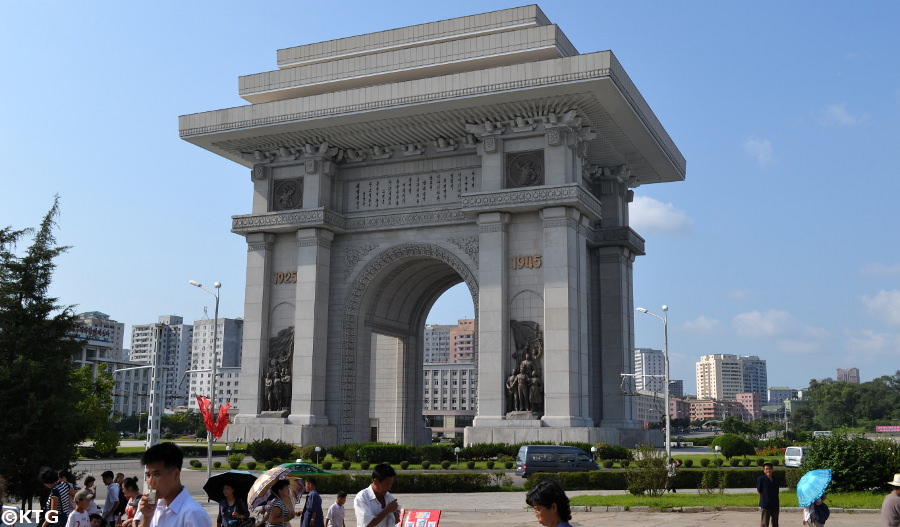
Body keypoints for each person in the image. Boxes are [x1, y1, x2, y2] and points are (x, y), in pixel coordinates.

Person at [138, 442, 211, 527]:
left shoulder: (193, 514)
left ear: (176, 474)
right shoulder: (155, 508)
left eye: (157, 474)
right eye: (148, 475)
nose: (150, 481)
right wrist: (146, 518)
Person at [757, 462, 780, 527]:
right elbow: (759, 491)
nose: (768, 470)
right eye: (766, 469)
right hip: (765, 504)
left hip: (775, 504)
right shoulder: (761, 479)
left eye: (770, 469)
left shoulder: (776, 479)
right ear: (764, 471)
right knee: (764, 523)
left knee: (775, 523)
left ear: (772, 470)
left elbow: (777, 490)